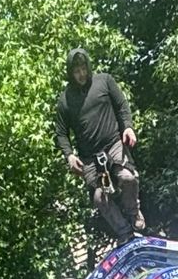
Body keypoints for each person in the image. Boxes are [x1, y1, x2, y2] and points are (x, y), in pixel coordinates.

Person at [55, 48, 144, 244]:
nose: (81, 74)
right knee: (99, 199)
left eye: (83, 68)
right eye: (76, 71)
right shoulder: (65, 100)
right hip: (90, 158)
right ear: (71, 72)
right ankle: (124, 233)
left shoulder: (104, 80)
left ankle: (133, 213)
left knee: (128, 178)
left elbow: (122, 106)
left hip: (113, 143)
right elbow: (61, 133)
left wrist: (128, 128)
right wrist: (69, 155)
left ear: (88, 66)